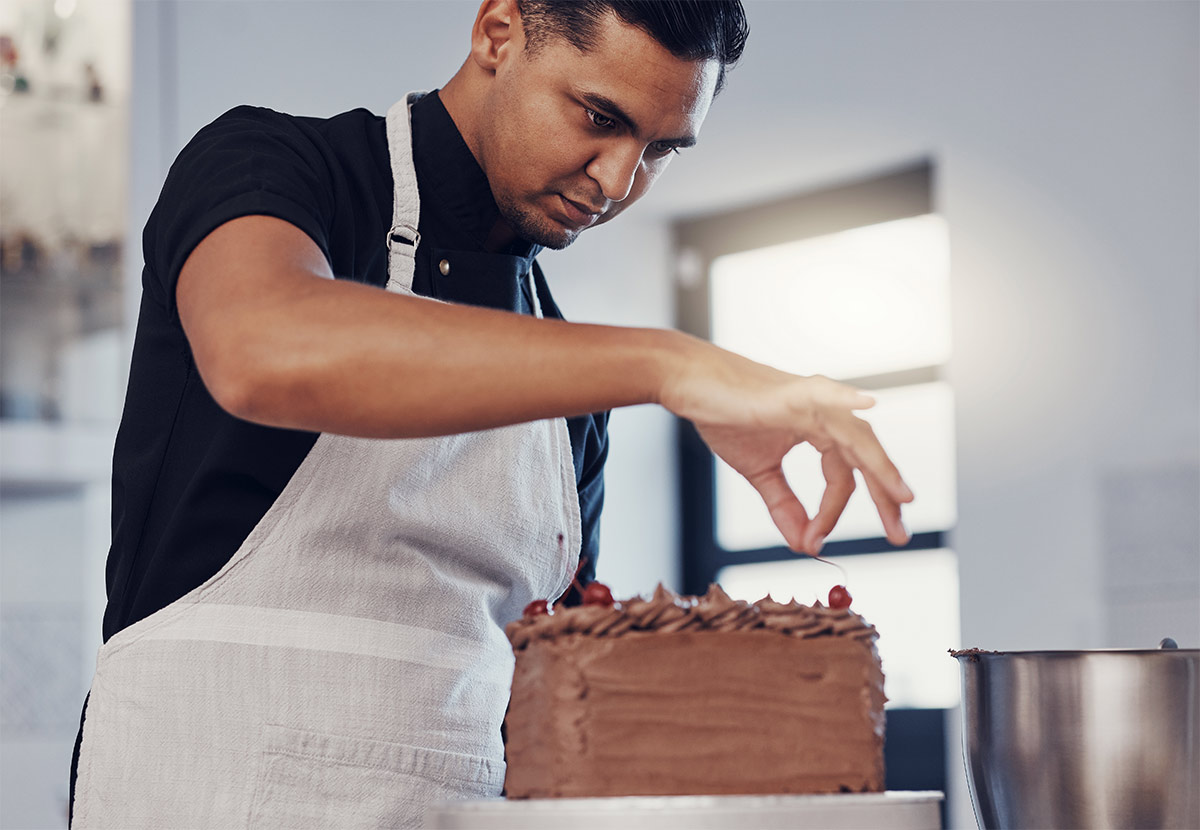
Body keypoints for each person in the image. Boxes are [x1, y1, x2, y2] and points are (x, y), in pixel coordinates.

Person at [70, 1, 913, 826]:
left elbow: (557, 688)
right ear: (498, 32)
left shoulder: (566, 378)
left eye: (659, 149)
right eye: (598, 115)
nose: (618, 181)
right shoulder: (278, 164)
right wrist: (668, 363)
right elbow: (263, 348)